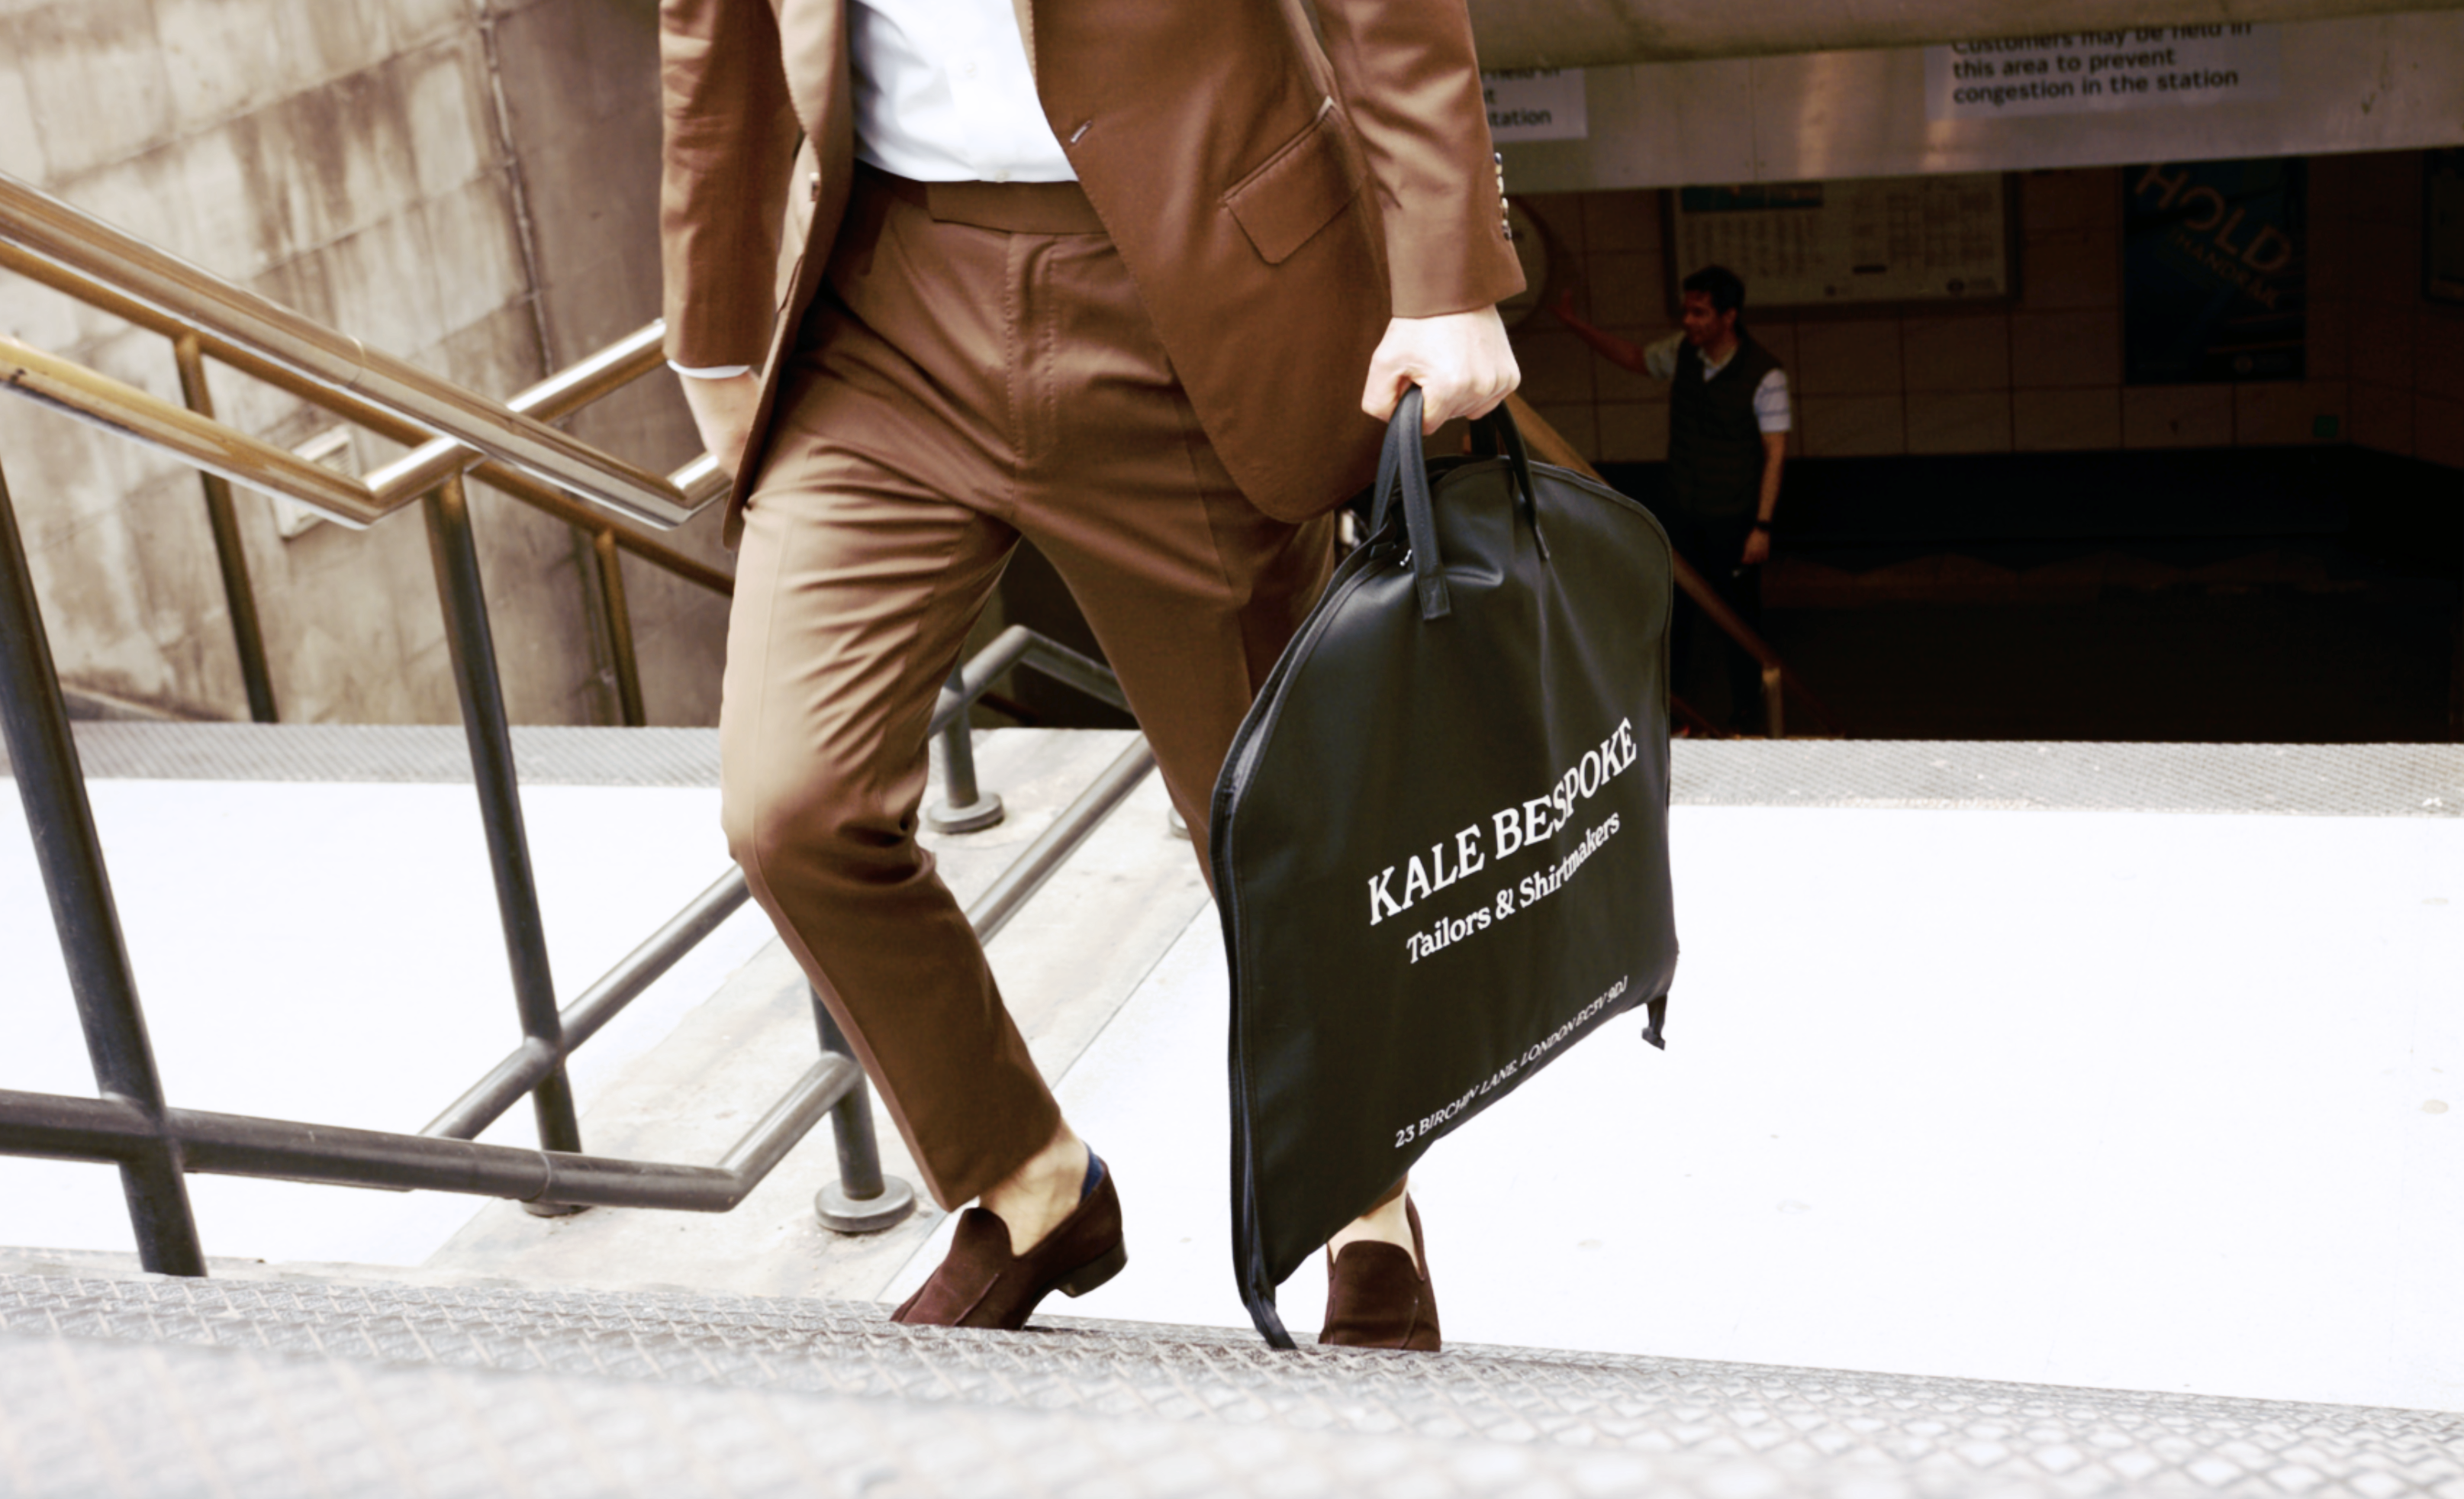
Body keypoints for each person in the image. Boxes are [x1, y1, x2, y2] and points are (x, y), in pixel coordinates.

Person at [658, 0, 1522, 1348]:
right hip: (883, 295)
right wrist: (712, 318)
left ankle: (1367, 1196)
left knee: (1269, 824)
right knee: (792, 805)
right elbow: (711, 35)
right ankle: (1032, 1180)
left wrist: (1445, 276)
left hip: (1185, 280)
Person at [1555, 265, 1789, 730]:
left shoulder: (1765, 375)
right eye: (1687, 311)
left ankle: (1747, 715)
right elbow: (1637, 359)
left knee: (1739, 623)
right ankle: (1677, 714)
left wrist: (1761, 526)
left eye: (1700, 313)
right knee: (1675, 614)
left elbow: (1775, 453)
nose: (1689, 322)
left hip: (1733, 517)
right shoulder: (1682, 354)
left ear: (1729, 317)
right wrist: (1576, 326)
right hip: (1682, 508)